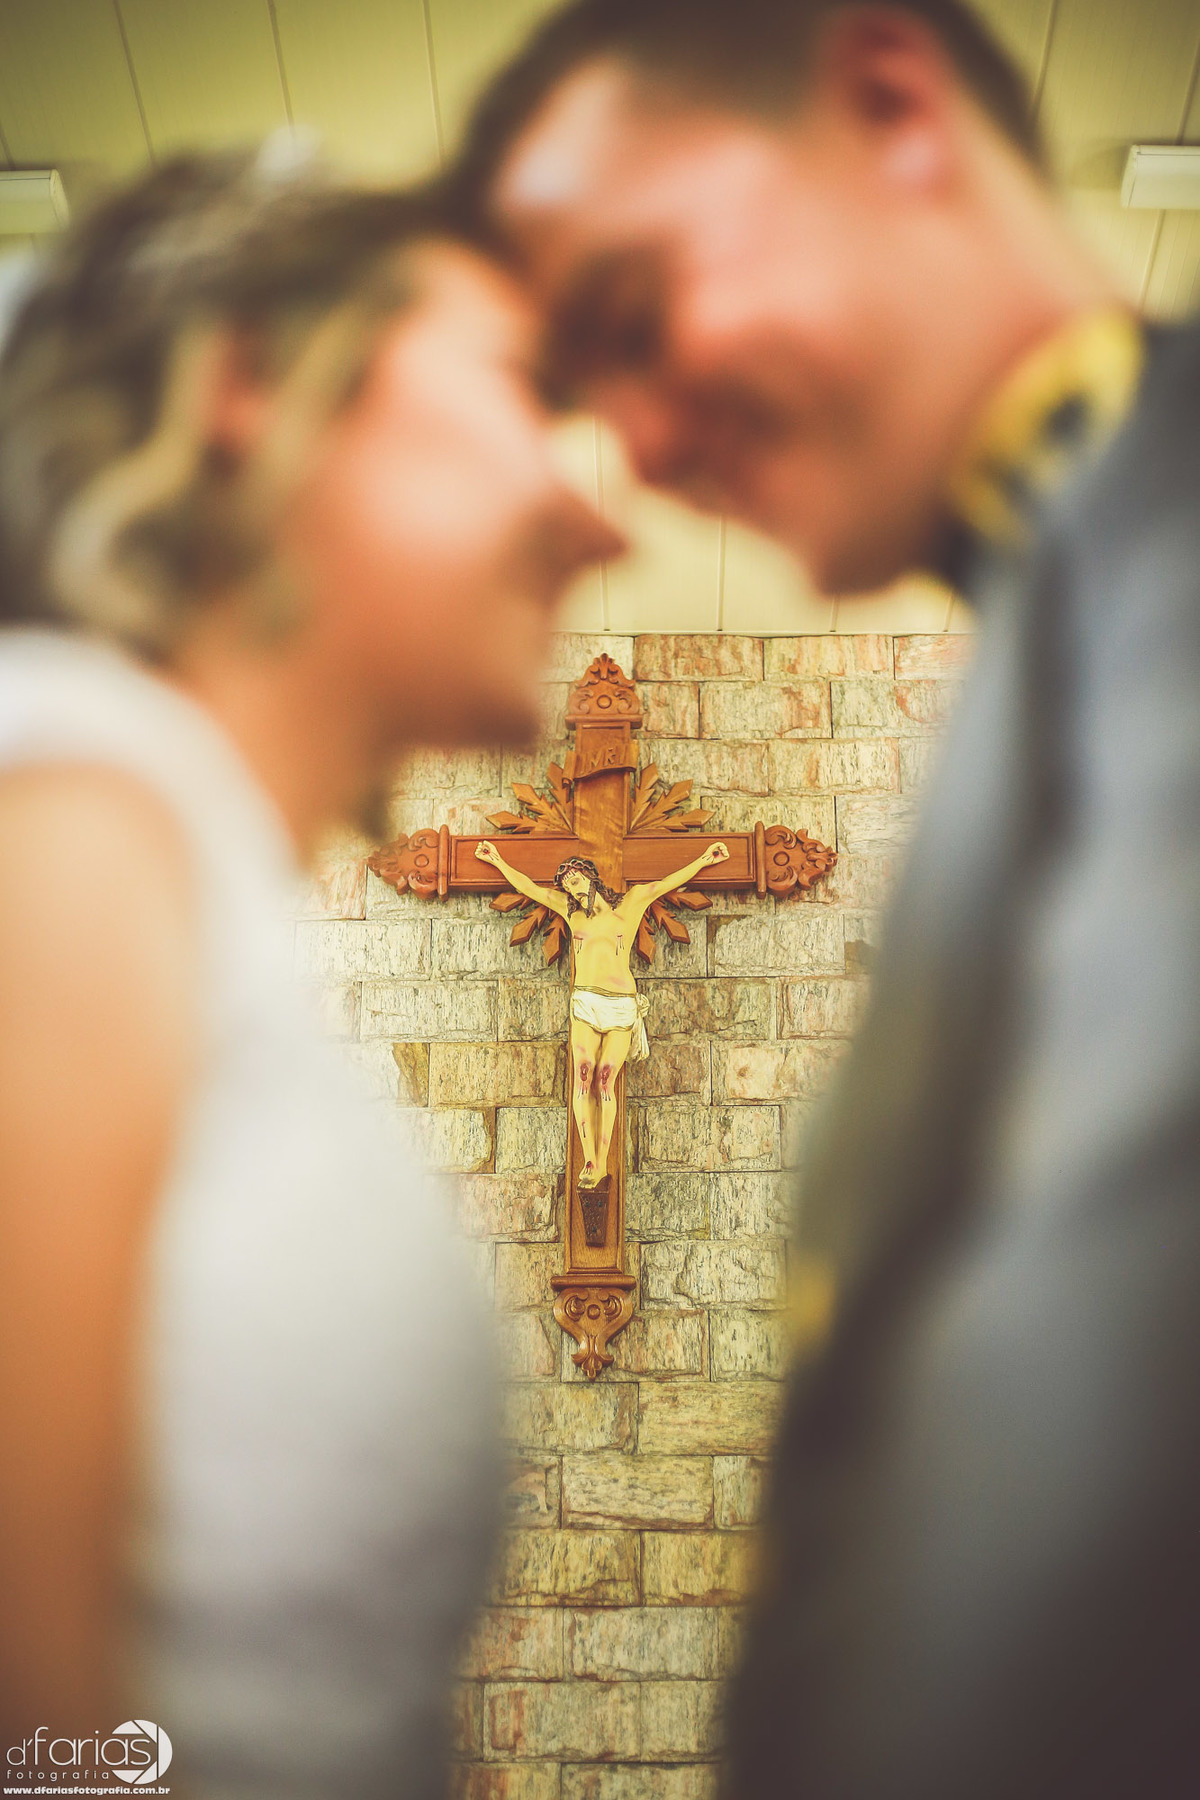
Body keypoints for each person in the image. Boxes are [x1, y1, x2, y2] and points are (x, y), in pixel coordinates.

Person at [444, 3, 1200, 1797]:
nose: (623, 445)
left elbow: (1119, 1322)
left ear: (886, 100)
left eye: (630, 315)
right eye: (568, 394)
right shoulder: (1060, 570)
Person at [0, 148, 618, 1798]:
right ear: (255, 386)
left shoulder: (172, 864)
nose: (601, 506)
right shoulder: (62, 838)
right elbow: (40, 1737)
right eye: (522, 390)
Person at [475, 839, 728, 1188]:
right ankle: (589, 1161)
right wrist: (498, 861)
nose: (570, 887)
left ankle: (604, 1162)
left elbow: (666, 883)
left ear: (590, 875)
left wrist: (703, 859)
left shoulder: (632, 904)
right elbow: (528, 888)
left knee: (605, 1079)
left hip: (621, 1003)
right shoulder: (571, 911)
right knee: (583, 1074)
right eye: (565, 885)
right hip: (585, 1001)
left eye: (574, 879)